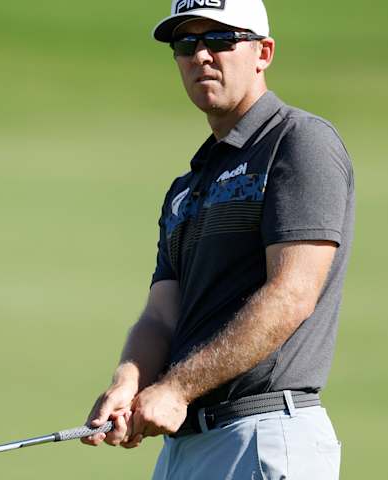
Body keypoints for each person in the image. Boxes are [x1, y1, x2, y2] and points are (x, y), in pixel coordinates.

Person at [80, 1, 354, 478]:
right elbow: (161, 315)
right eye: (186, 44)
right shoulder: (187, 187)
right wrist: (129, 380)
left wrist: (176, 389)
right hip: (186, 448)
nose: (201, 55)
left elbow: (291, 294)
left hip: (263, 434)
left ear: (263, 52)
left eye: (221, 39)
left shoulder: (297, 142)